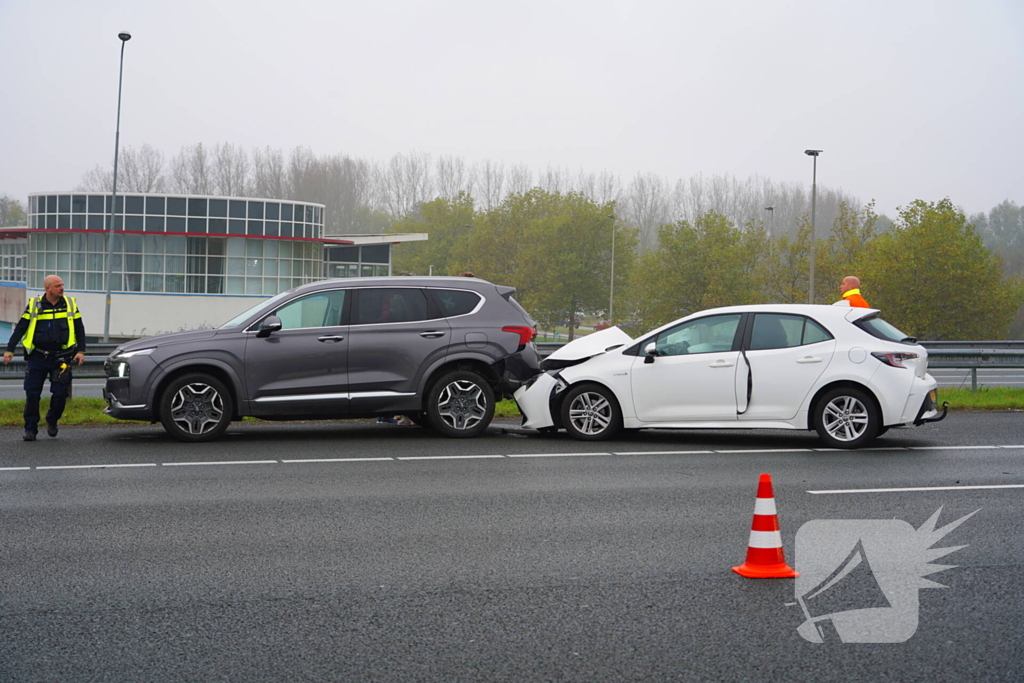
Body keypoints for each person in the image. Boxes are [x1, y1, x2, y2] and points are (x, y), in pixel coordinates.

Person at [2, 275, 86, 441]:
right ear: (47, 289)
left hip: (62, 357)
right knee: (32, 394)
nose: (61, 288)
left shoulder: (69, 304)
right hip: (38, 357)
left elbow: (79, 329)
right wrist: (10, 349)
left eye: (62, 285)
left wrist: (81, 350)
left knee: (61, 394)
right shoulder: (34, 305)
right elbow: (20, 328)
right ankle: (30, 429)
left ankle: (52, 420)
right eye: (57, 286)